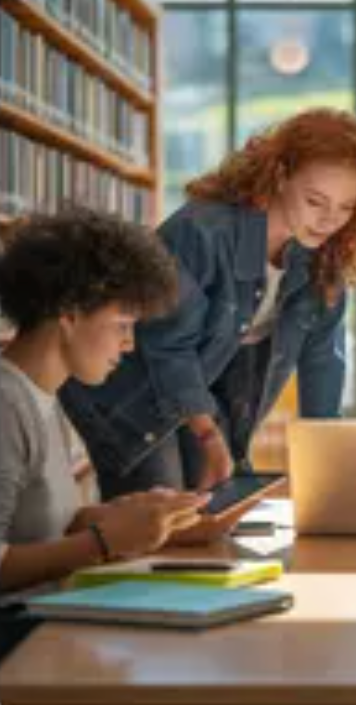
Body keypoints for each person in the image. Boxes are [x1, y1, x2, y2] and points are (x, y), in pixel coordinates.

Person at [62, 108, 356, 498]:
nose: (329, 220)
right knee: (161, 517)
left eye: (345, 208)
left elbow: (322, 361)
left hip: (197, 394)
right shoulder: (203, 232)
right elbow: (168, 346)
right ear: (280, 176)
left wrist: (331, 463)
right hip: (132, 390)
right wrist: (210, 438)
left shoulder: (322, 262)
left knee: (214, 513)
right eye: (315, 201)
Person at [0, 208, 207, 597]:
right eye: (122, 326)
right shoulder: (6, 405)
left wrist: (119, 517)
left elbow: (35, 528)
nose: (129, 345)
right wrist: (102, 541)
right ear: (70, 314)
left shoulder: (46, 395)